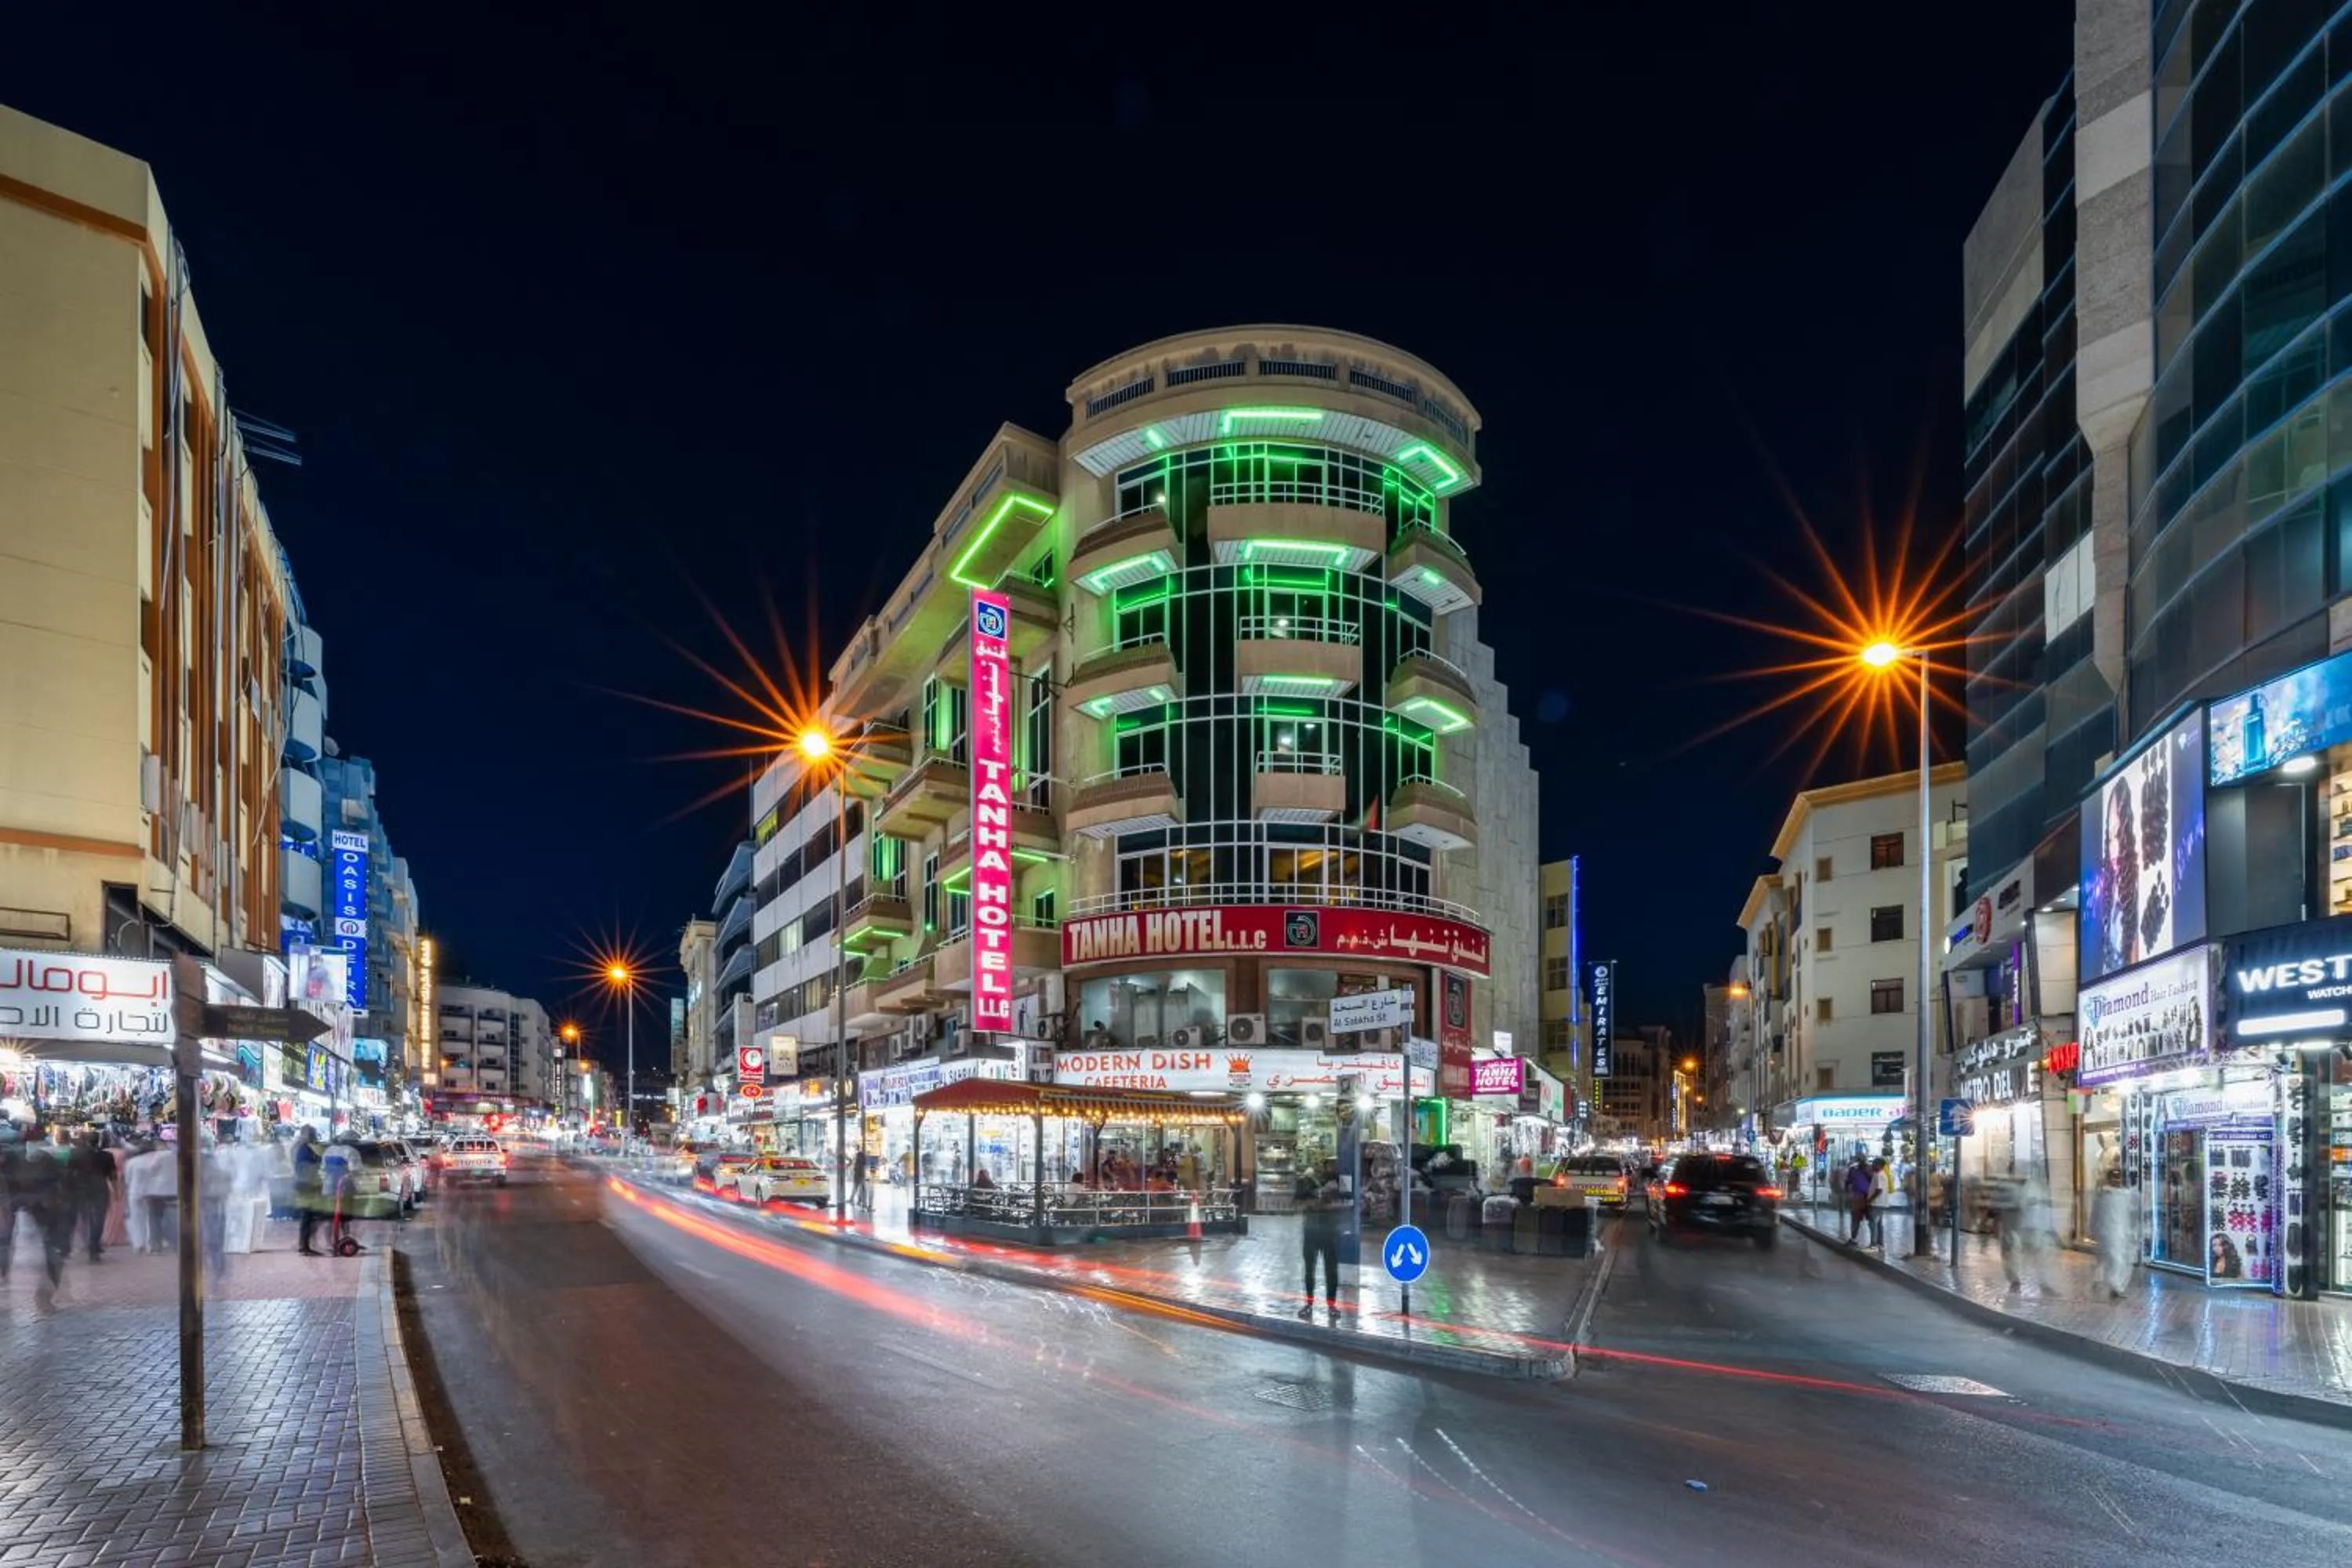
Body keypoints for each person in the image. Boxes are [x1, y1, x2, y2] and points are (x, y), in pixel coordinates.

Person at [1297, 1163, 1343, 1319]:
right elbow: (1298, 1203)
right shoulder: (1306, 1183)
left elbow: (1348, 1203)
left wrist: (1329, 1204)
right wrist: (1317, 1200)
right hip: (1312, 1232)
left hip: (1329, 1233)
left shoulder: (1339, 1181)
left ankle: (1331, 1305)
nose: (1321, 1170)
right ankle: (1309, 1304)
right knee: (1310, 1271)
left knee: (1331, 1272)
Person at [2090, 1167, 2139, 1300]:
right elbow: (2095, 1214)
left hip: (2122, 1232)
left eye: (2119, 1177)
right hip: (2107, 1232)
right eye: (2114, 1177)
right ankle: (2114, 1286)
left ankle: (2111, 1284)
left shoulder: (2126, 1195)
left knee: (2118, 1260)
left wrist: (2132, 1230)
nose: (2117, 1180)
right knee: (2114, 1259)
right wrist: (2093, 1230)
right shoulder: (2102, 1196)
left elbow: (2131, 1213)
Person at [124, 1138, 177, 1254]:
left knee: (136, 1218)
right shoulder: (156, 1159)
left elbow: (127, 1180)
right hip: (151, 1191)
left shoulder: (132, 1162)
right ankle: (151, 1243)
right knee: (150, 1219)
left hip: (135, 1191)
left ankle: (138, 1243)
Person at [70, 1130, 114, 1262]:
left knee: (85, 1217)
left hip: (81, 1188)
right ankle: (94, 1245)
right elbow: (112, 1175)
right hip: (100, 1187)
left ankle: (87, 1242)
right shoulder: (107, 1156)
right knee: (99, 1218)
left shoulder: (76, 1154)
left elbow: (70, 1172)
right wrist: (117, 1191)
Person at [292, 1128, 327, 1255]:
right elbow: (307, 1167)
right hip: (307, 1184)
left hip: (303, 1183)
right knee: (310, 1215)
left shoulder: (301, 1148)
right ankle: (305, 1245)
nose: (315, 1136)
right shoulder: (305, 1149)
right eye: (313, 1134)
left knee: (309, 1215)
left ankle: (305, 1244)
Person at [1844, 1156, 1873, 1243]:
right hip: (1859, 1197)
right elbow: (1848, 1182)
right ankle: (1854, 1238)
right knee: (1856, 1219)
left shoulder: (1868, 1169)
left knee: (1870, 1220)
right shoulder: (1854, 1170)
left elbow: (1847, 1182)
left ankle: (1874, 1241)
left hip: (1867, 1197)